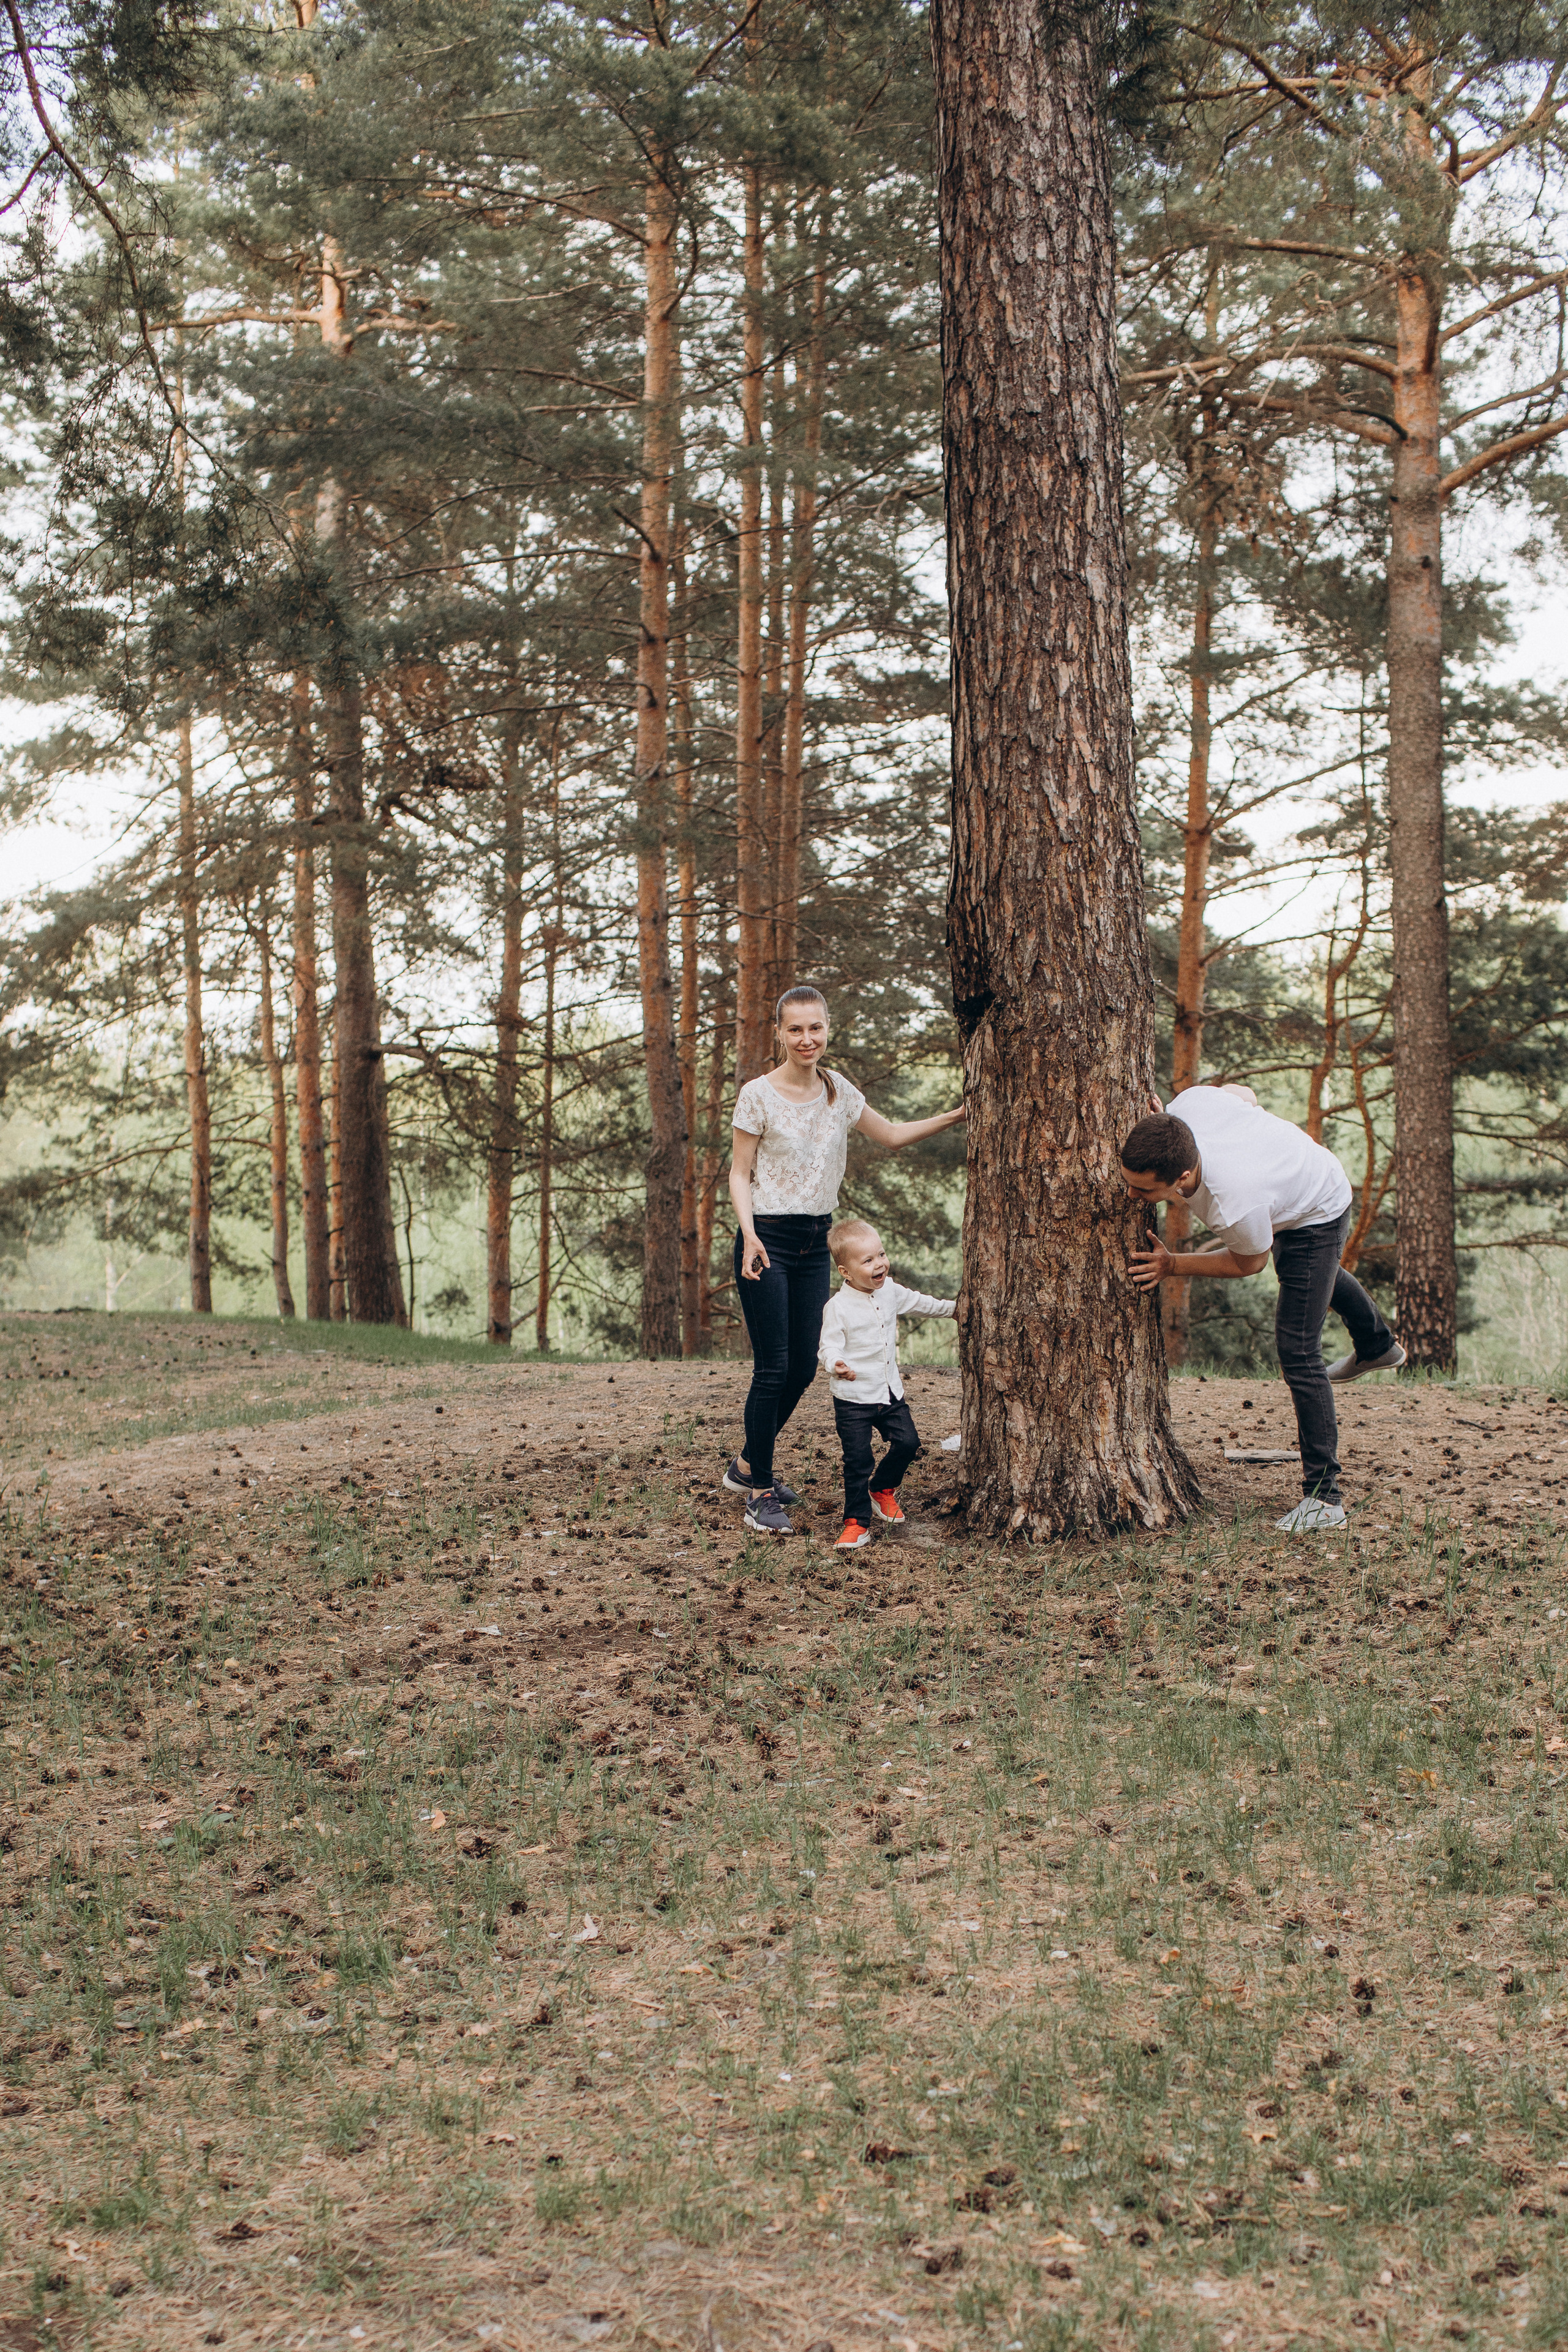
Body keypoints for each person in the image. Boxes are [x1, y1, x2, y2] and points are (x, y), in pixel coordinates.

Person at [726, 985, 965, 1536]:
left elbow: (894, 1136)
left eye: (815, 1028)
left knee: (804, 1366)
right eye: (795, 1029)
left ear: (827, 1029)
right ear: (780, 1033)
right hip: (766, 1240)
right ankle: (759, 1490)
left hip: (816, 1241)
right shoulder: (757, 1095)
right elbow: (740, 1173)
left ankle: (745, 1466)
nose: (806, 1039)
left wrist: (957, 1115)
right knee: (772, 1369)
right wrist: (750, 1235)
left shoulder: (839, 1091)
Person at [1120, 1084, 1404, 1534]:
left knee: (1298, 1349)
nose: (1131, 1195)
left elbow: (1248, 1262)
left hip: (1318, 1205)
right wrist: (1166, 1118)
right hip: (1287, 1183)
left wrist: (1173, 1264)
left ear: (1182, 1177)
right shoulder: (1188, 1107)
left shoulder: (1234, 1202)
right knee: (1309, 1273)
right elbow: (1245, 1093)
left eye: (1142, 1190)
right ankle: (1377, 1345)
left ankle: (1325, 1500)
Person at [818, 1219, 954, 1550]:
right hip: (853, 1398)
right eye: (868, 1260)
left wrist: (955, 1310)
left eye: (881, 1254)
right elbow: (828, 1346)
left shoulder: (890, 1290)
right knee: (858, 1460)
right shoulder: (838, 1307)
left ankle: (883, 1489)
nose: (879, 1263)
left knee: (908, 1443)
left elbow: (922, 1303)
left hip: (890, 1392)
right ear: (845, 1272)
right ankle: (856, 1524)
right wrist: (836, 1365)